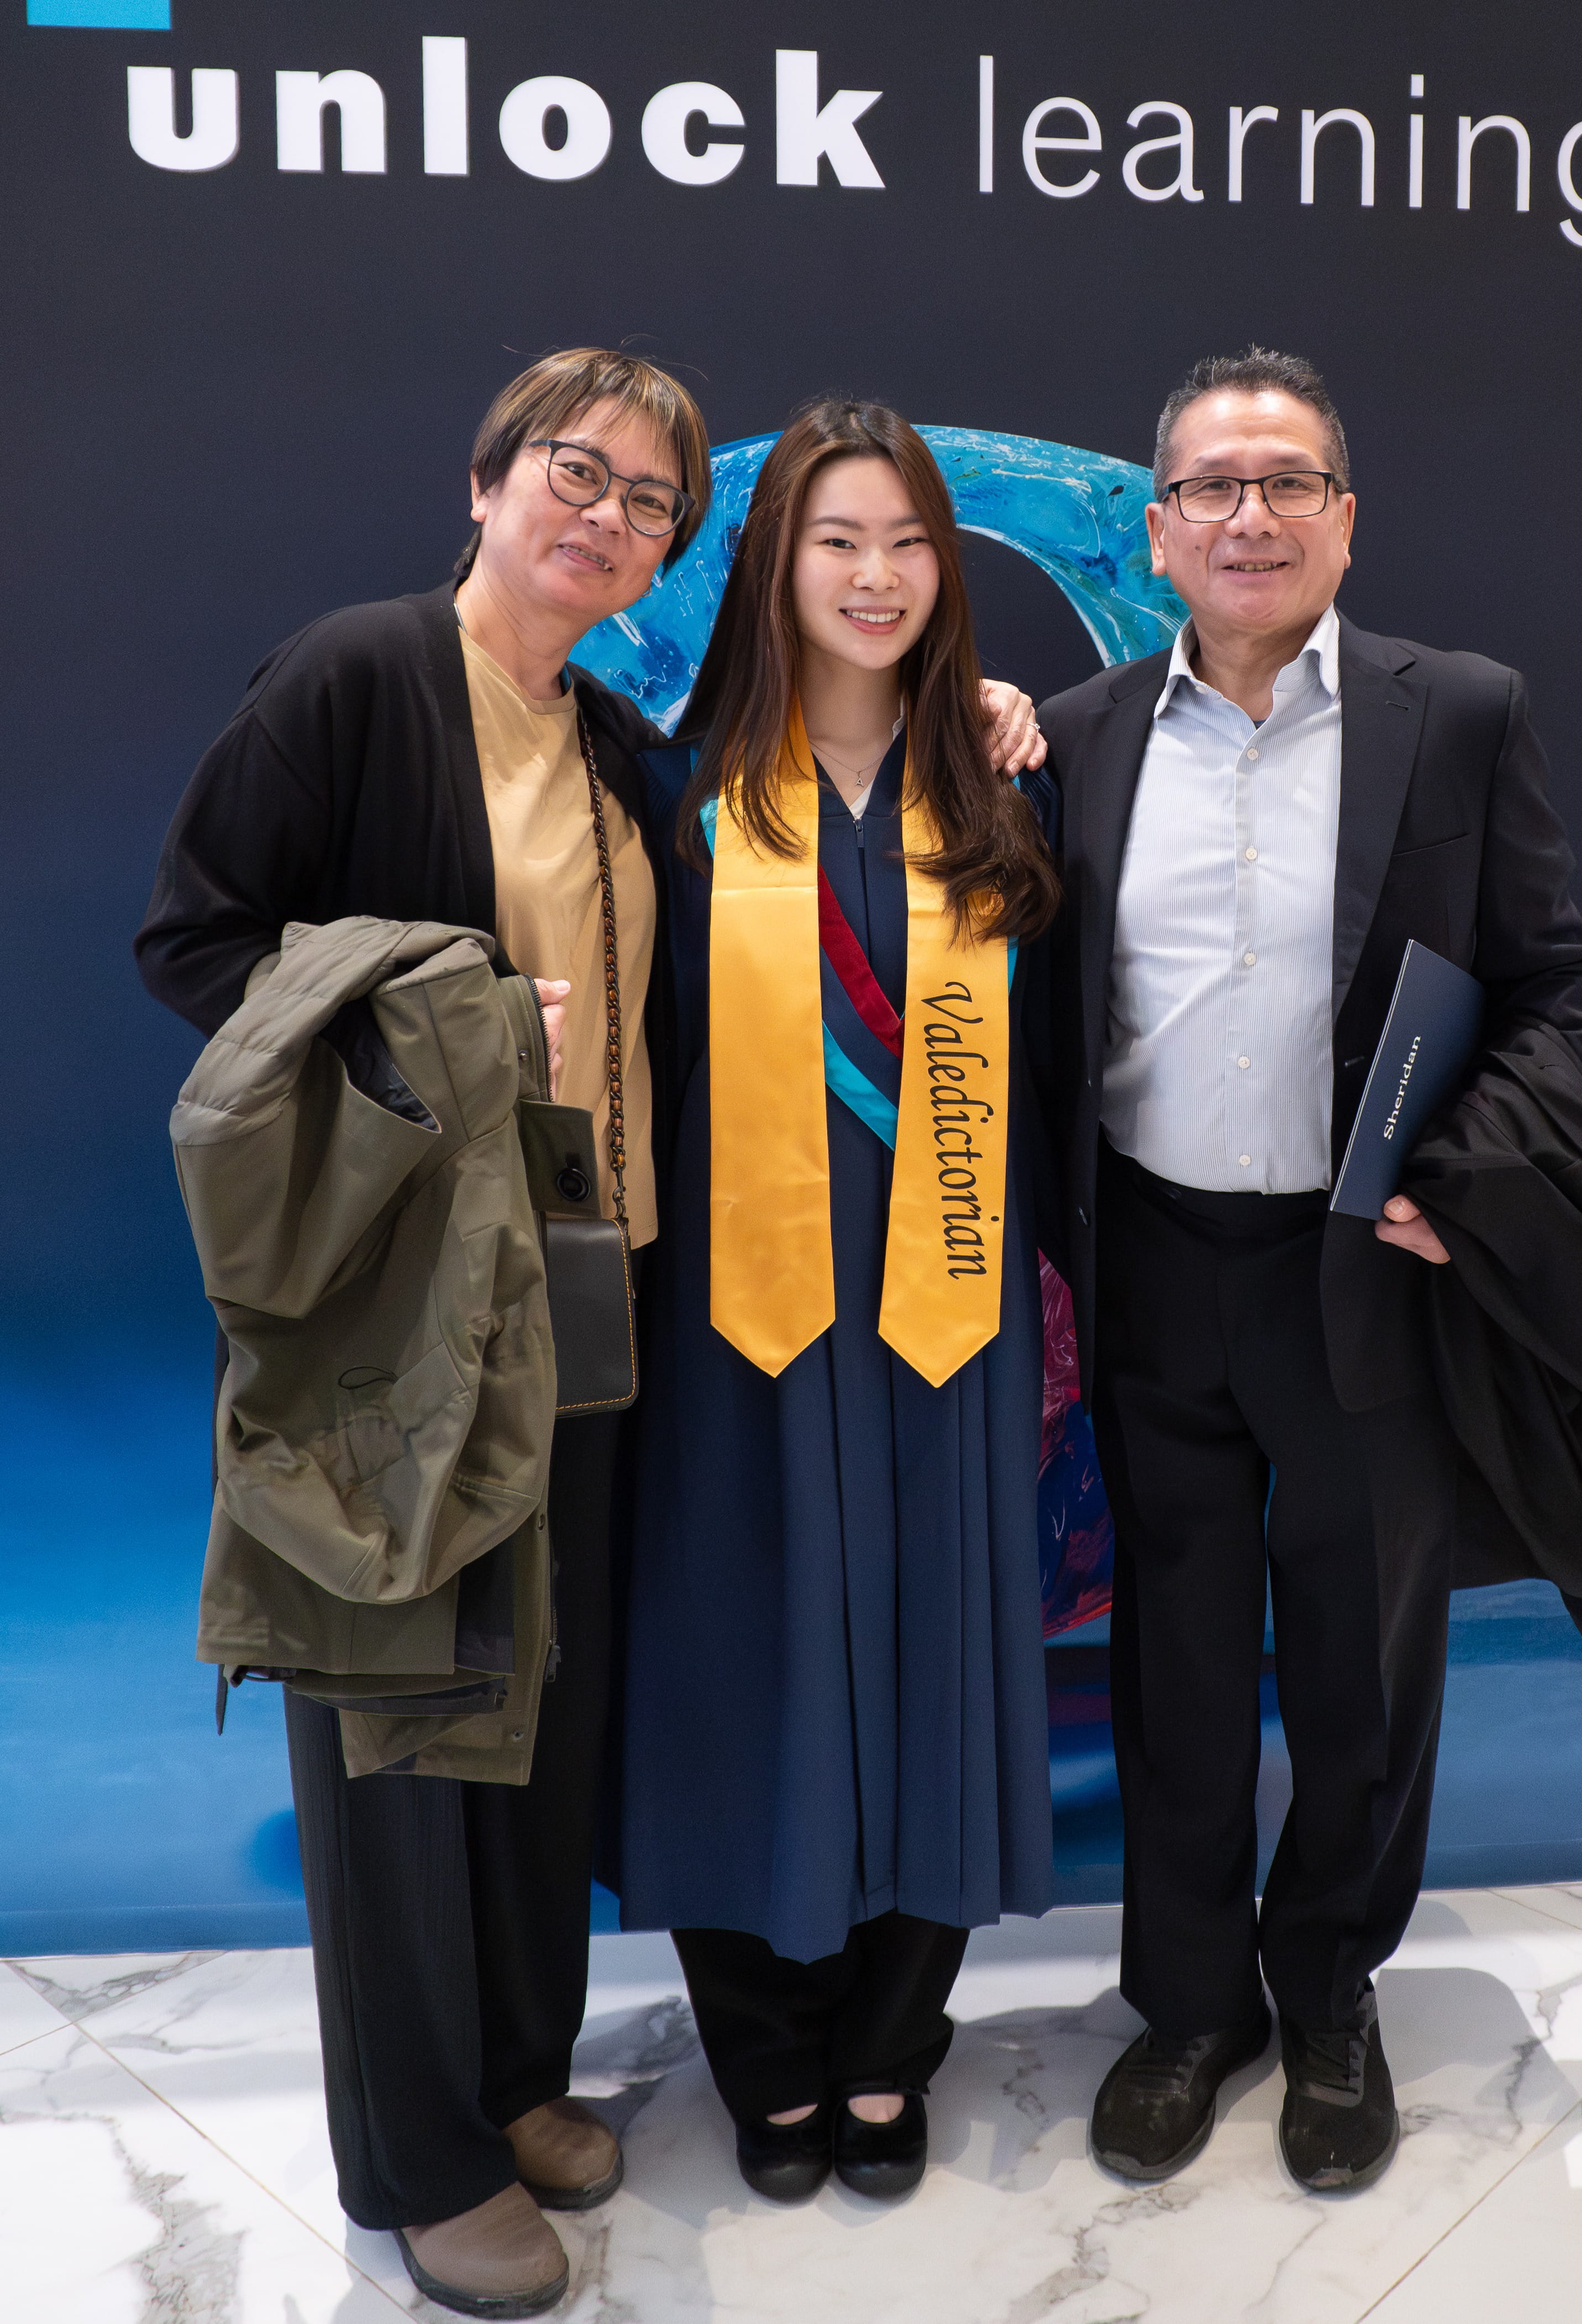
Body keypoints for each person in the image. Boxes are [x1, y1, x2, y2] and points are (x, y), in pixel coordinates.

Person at [135, 352, 1043, 2315]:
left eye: (646, 503)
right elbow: (196, 942)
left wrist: (978, 705)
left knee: (536, 1717)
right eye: (576, 477)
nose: (608, 522)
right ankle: (420, 2156)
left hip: (590, 1303)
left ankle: (520, 2076)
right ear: (483, 480)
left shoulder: (621, 747)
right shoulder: (361, 676)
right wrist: (417, 1024)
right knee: (397, 1727)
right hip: (401, 1311)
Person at [1035, 348, 1582, 2194]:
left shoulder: (1461, 713)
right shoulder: (1082, 729)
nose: (1249, 516)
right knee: (1177, 1653)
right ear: (1158, 527)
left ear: (1345, 519)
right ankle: (1190, 2006)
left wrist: (1465, 1165)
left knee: (1362, 1652)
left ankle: (1330, 1987)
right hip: (1153, 1261)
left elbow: (1543, 984)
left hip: (1360, 1264)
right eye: (1211, 487)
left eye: (1287, 483)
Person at [614, 399, 1061, 2205]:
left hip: (946, 1322)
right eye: (832, 540)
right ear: (769, 562)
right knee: (745, 1655)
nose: (874, 578)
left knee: (941, 1651)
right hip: (742, 1326)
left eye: (906, 542)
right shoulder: (672, 785)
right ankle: (763, 2048)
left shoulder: (1006, 785)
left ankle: (891, 2046)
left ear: (945, 569)